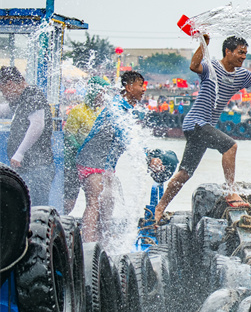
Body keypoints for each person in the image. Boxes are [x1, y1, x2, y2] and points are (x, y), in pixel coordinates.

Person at [153, 35, 251, 222]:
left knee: (185, 173)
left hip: (202, 127)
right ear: (228, 51)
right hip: (196, 123)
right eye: (240, 53)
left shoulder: (242, 75)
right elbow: (194, 66)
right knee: (230, 146)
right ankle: (231, 192)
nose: (243, 57)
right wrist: (203, 44)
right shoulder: (212, 67)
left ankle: (159, 208)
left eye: (245, 54)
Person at [76, 71, 163, 242]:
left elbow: (134, 137)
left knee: (108, 201)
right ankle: (87, 245)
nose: (143, 90)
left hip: (106, 164)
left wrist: (149, 154)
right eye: (140, 85)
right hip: (91, 160)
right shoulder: (115, 108)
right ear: (129, 87)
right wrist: (148, 159)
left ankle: (103, 242)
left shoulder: (127, 109)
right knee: (94, 201)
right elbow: (126, 136)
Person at [0, 66, 55, 206]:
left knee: (34, 211)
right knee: (24, 209)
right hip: (27, 167)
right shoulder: (22, 98)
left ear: (10, 84)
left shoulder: (32, 95)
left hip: (37, 168)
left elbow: (37, 124)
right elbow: (5, 109)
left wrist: (19, 153)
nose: (4, 94)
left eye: (3, 90)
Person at [64, 76, 111, 213]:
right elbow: (69, 136)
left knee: (95, 200)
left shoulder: (101, 113)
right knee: (69, 202)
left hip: (93, 163)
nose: (104, 97)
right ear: (94, 92)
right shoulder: (78, 111)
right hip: (73, 164)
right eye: (102, 93)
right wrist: (83, 149)